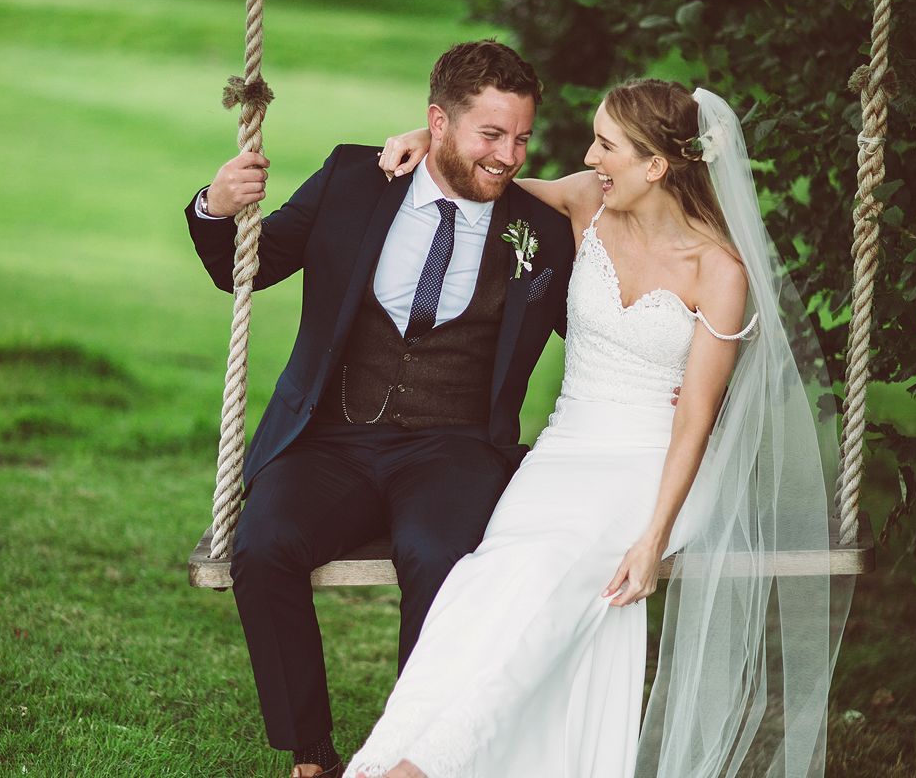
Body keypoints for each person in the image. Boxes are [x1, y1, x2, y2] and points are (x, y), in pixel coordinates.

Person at [344, 80, 844, 778]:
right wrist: (430, 139)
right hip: (564, 450)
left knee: (552, 574)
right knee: (486, 578)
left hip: (652, 467)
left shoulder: (719, 270)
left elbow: (696, 417)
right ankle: (379, 757)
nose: (590, 155)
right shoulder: (588, 200)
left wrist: (654, 538)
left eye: (606, 145)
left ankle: (424, 765)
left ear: (657, 166)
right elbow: (493, 177)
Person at [185, 40, 577, 778]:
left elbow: (592, 323)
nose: (509, 155)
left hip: (454, 448)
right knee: (262, 549)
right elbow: (249, 267)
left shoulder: (542, 229)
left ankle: (413, 751)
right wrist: (216, 206)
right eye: (491, 134)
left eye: (523, 137)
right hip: (330, 439)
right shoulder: (352, 180)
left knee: (440, 559)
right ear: (438, 121)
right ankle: (311, 754)